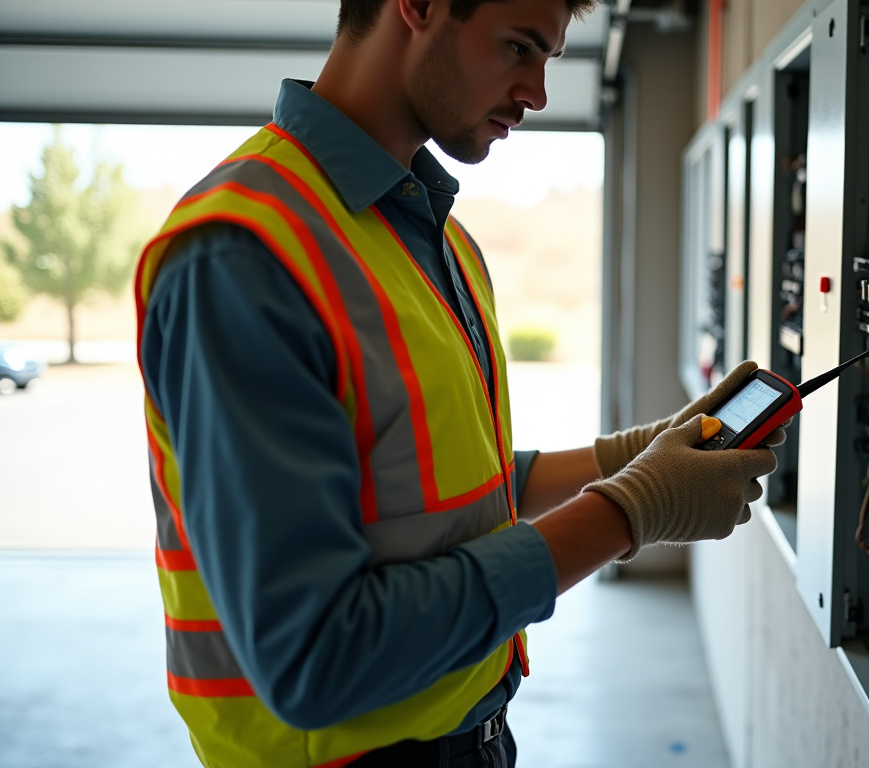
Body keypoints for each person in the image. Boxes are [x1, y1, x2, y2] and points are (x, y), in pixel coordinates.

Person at [134, 0, 784, 766]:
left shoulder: (437, 239)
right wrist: (631, 511)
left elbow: (432, 498)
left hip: (473, 741)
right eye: (518, 47)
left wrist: (632, 456)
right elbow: (313, 660)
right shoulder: (244, 258)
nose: (537, 92)